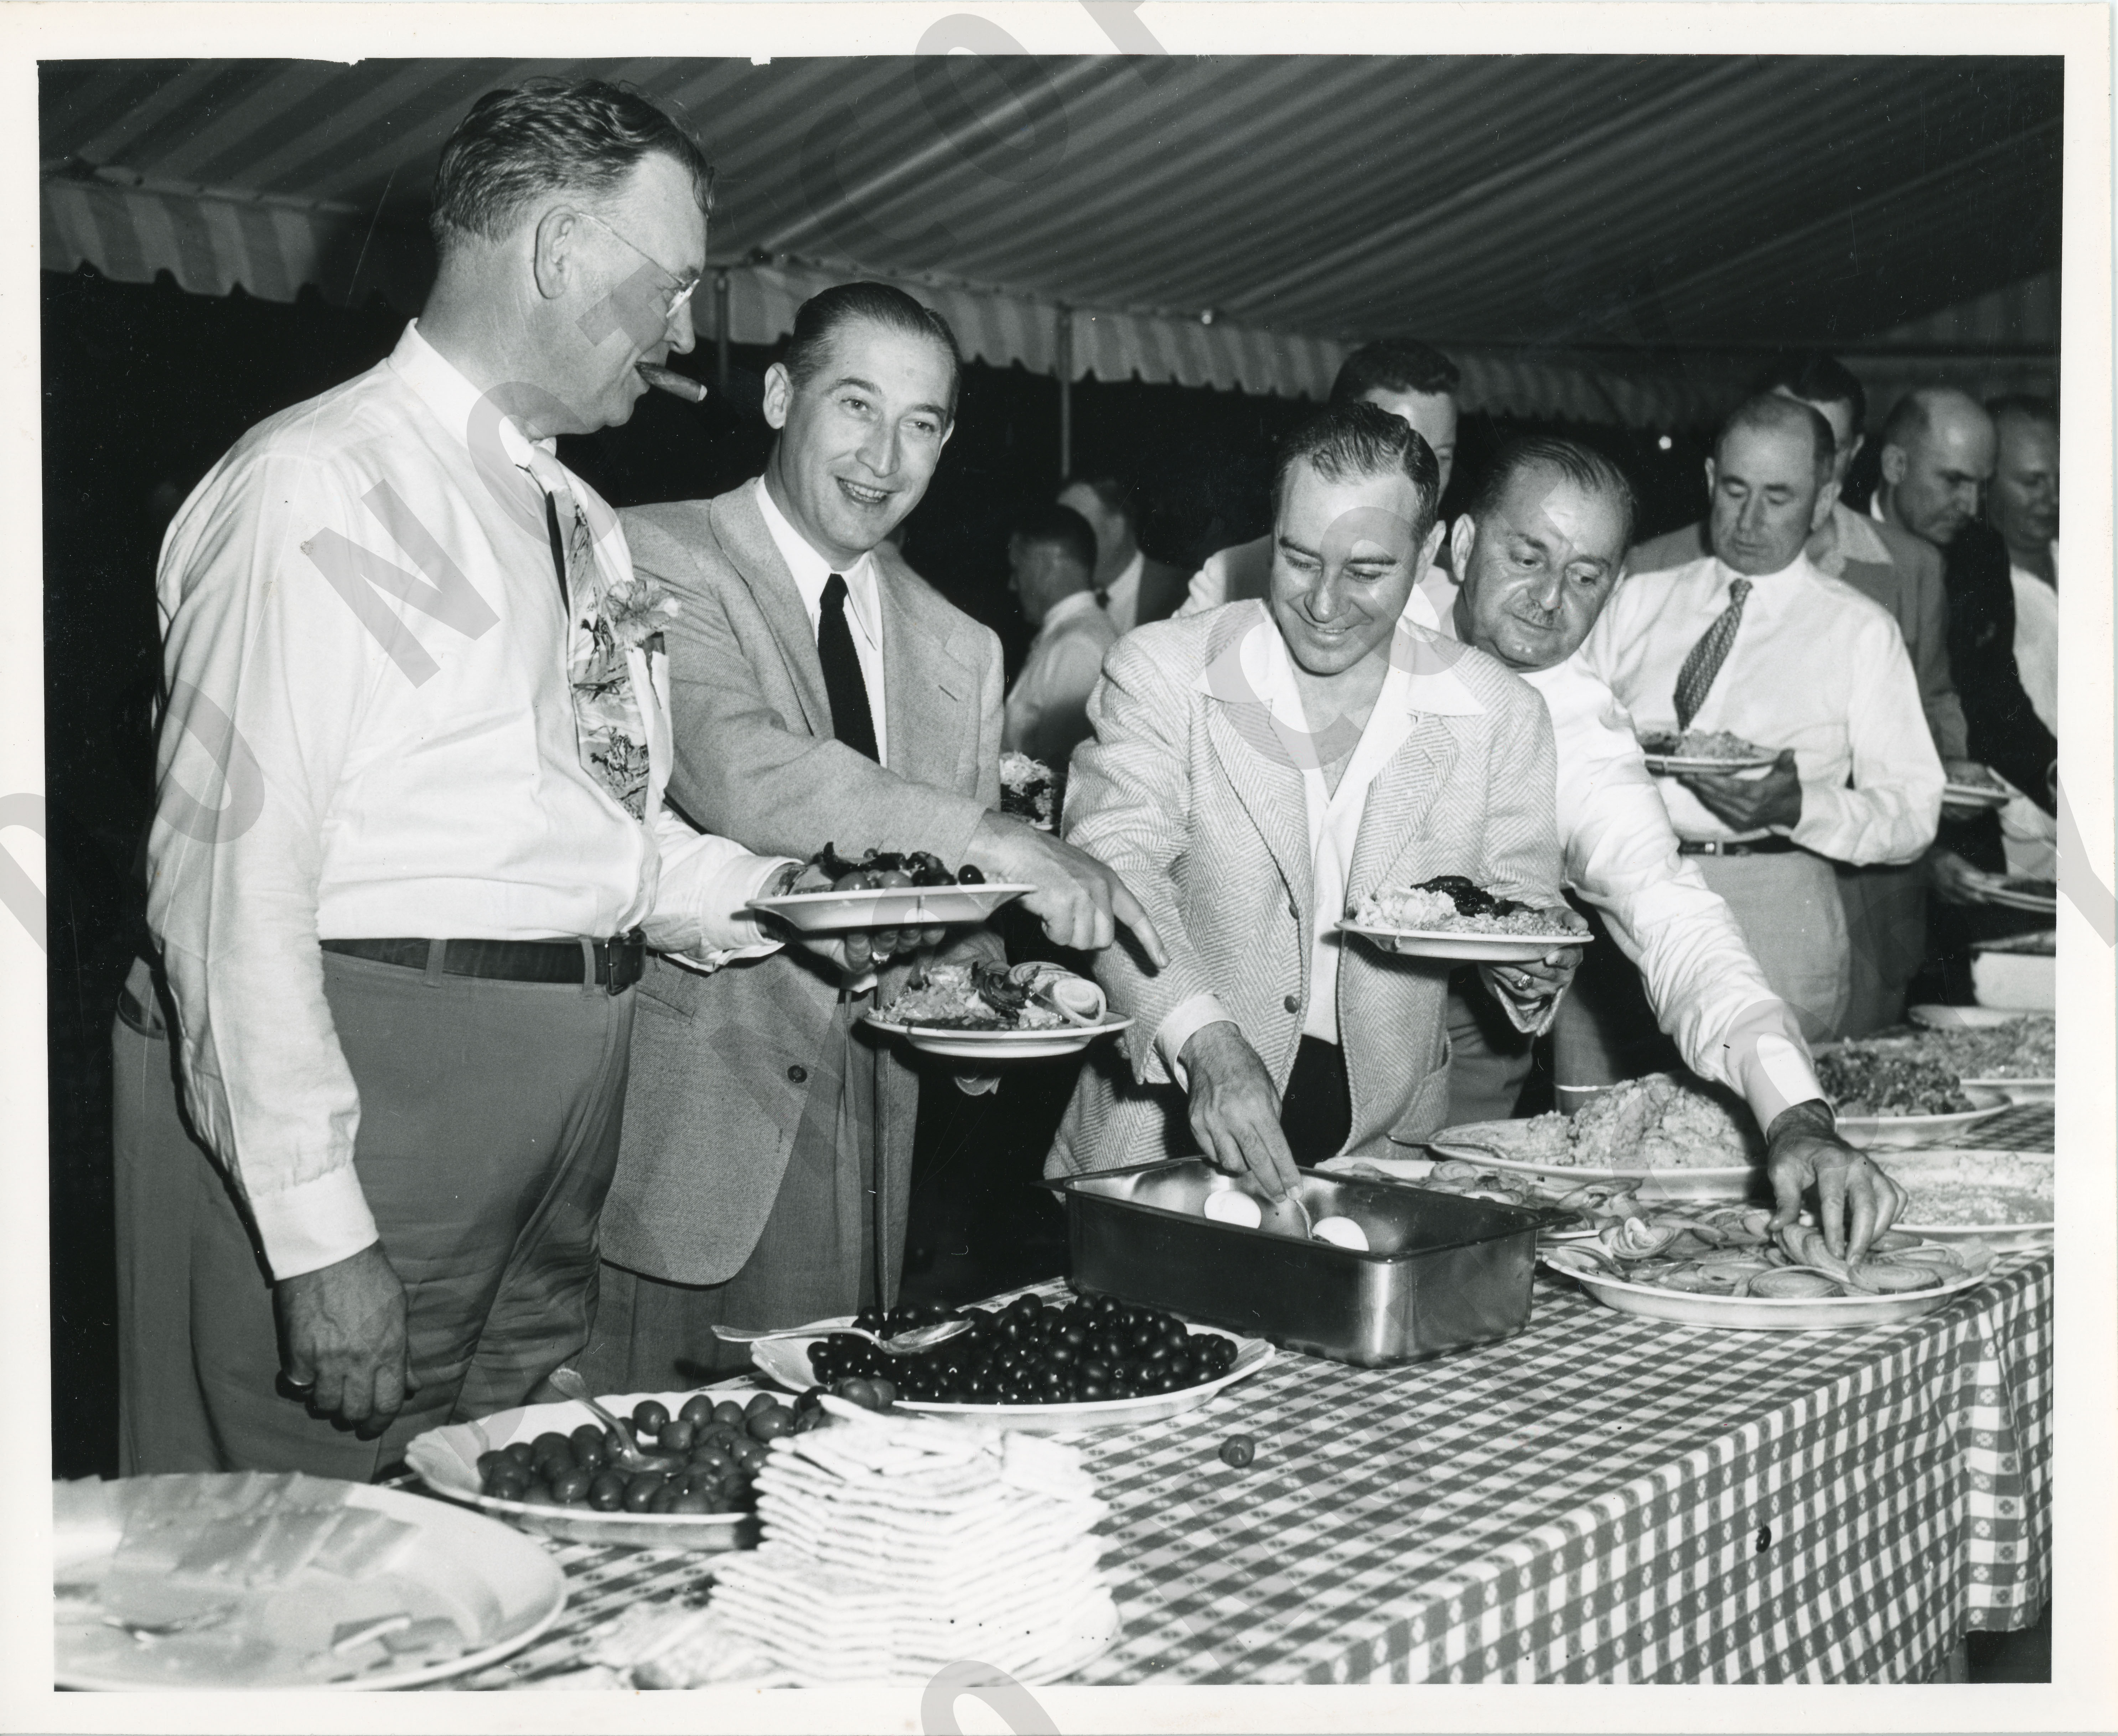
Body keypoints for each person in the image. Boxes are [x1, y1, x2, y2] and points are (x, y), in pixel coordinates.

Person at [116, 82, 807, 1475]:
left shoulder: (577, 515)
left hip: (548, 1132)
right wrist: (317, 1236)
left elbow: (589, 838)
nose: (684, 334)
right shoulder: (321, 485)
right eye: (672, 287)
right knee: (291, 1554)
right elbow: (229, 882)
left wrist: (807, 896)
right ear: (558, 252)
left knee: (480, 1531)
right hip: (376, 1105)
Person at [582, 283, 1167, 1386]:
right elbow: (739, 766)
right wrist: (1001, 840)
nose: (884, 458)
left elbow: (953, 924)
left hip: (871, 1164)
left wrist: (991, 993)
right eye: (855, 405)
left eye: (921, 424)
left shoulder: (963, 647)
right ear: (777, 397)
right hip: (687, 1149)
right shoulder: (651, 554)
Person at [1048, 402, 1569, 1194]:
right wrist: (1206, 1041)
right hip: (1158, 1145)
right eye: (1298, 560)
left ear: (1429, 551)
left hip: (1384, 1154)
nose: (1324, 605)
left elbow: (1523, 905)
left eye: (1366, 572)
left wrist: (1533, 969)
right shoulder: (1162, 669)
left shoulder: (1501, 712)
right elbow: (1115, 867)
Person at [1432, 435, 1904, 1255]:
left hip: (1433, 1065)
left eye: (1584, 577)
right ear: (1465, 542)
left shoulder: (1579, 731)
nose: (1548, 599)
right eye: (1527, 557)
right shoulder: (1374, 618)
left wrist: (1795, 1115)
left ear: (1613, 587)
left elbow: (1674, 917)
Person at [1633, 352, 1980, 1034]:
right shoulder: (1637, 598)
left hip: (1777, 908)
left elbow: (1913, 809)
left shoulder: (1861, 631)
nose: (1749, 521)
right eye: (1736, 490)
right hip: (1630, 898)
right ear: (1711, 479)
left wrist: (1801, 806)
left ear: (1824, 499)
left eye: (1779, 497)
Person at [1871, 388, 2057, 982]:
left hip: (1967, 852)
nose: (1971, 504)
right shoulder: (1833, 547)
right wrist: (1921, 853)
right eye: (1953, 481)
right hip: (1865, 860)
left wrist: (2062, 780)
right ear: (1895, 465)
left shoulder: (1980, 551)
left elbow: (1997, 701)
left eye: (1981, 484)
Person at [1180, 338, 1460, 617]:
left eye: (1443, 457)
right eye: (1396, 451)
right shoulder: (1234, 574)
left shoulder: (1462, 591)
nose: (1429, 479)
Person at [1980, 396, 2061, 880]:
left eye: (2059, 479)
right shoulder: (1969, 594)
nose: (2052, 498)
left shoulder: (2096, 563)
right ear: (1986, 482)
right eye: (2032, 482)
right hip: (2021, 842)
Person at [1002, 502, 1120, 768]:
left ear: (1045, 566)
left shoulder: (1076, 646)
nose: (1012, 584)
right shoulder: (1079, 632)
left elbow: (1058, 773)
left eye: (1017, 569)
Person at [1056, 475, 1188, 632]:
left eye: (1076, 528)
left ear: (1116, 528)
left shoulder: (1181, 593)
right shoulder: (1064, 600)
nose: (1060, 544)